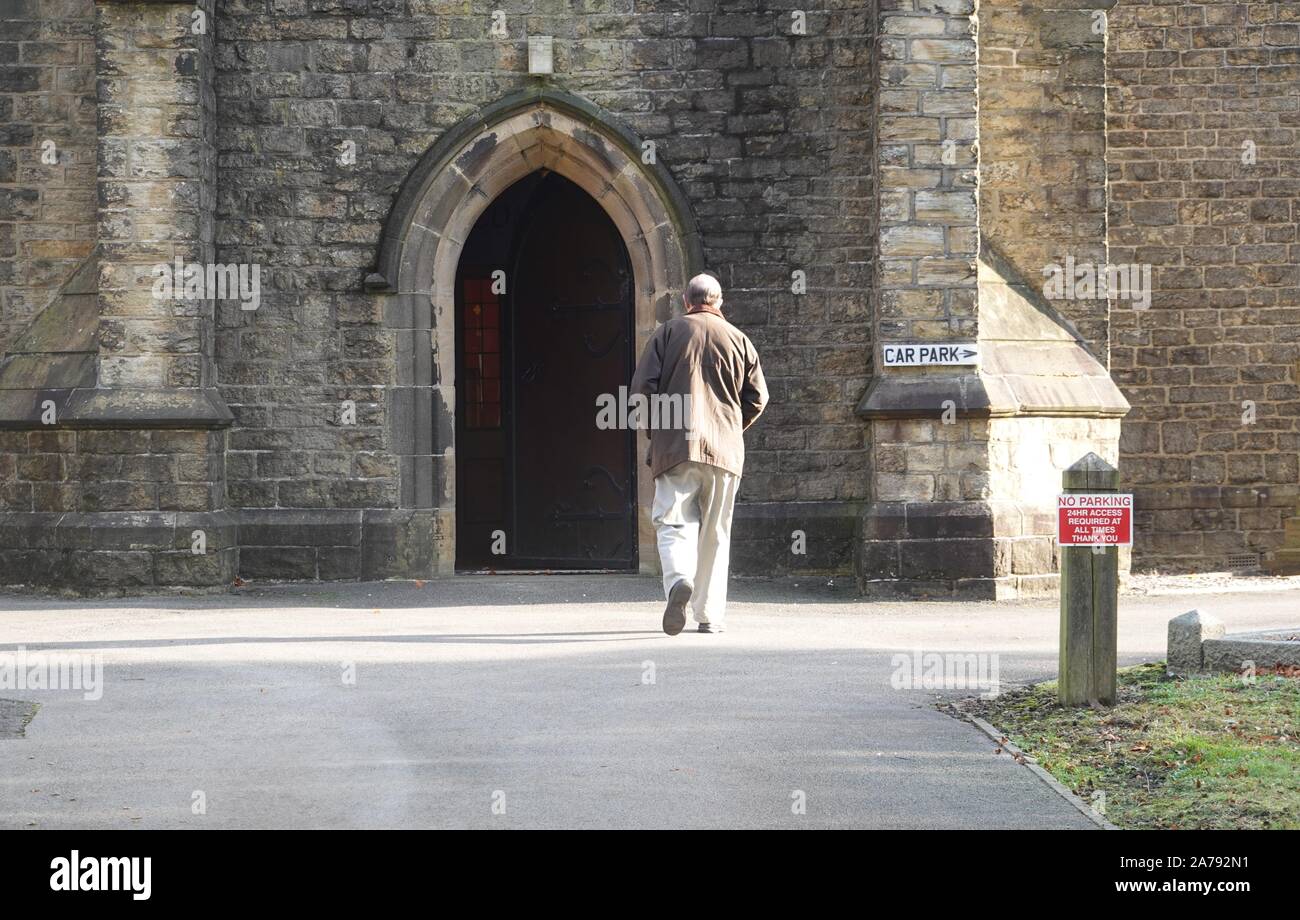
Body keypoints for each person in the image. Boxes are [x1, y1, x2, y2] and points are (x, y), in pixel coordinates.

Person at [630, 273, 768, 635]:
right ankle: (709, 616)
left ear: (686, 302)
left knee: (674, 521)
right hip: (724, 451)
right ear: (719, 302)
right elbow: (758, 398)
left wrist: (657, 432)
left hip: (676, 446)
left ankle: (678, 580)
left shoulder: (667, 334)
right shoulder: (740, 340)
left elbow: (642, 390)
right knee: (715, 533)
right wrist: (732, 428)